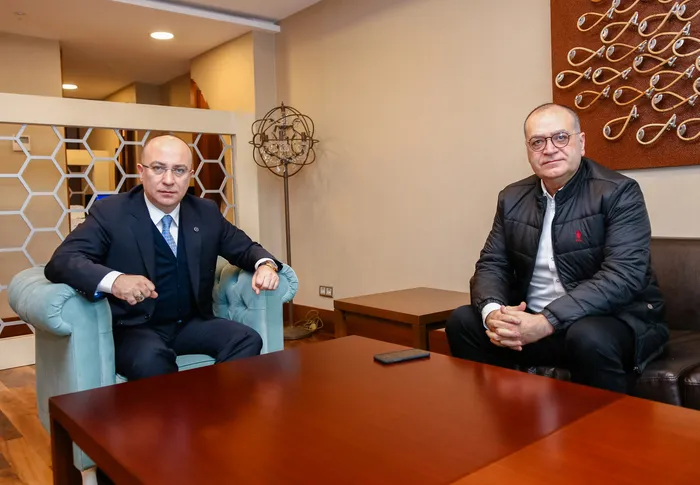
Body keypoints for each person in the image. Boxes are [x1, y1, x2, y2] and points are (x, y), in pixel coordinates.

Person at [445, 103, 668, 393]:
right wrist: (494, 313)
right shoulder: (511, 198)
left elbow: (623, 275)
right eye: (537, 142)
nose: (549, 149)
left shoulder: (619, 192)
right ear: (528, 150)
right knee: (462, 321)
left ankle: (608, 422)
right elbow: (492, 264)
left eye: (561, 137)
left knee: (587, 336)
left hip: (611, 321)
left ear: (581, 142)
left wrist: (547, 320)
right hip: (535, 323)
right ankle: (507, 413)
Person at [45, 135, 283, 381]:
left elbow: (245, 248)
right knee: (152, 360)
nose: (169, 180)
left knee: (247, 339)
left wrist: (265, 265)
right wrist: (115, 281)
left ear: (190, 175)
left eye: (179, 170)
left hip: (190, 324)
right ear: (141, 172)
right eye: (158, 168)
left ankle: (211, 402)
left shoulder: (205, 212)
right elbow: (62, 260)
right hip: (134, 328)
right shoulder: (111, 213)